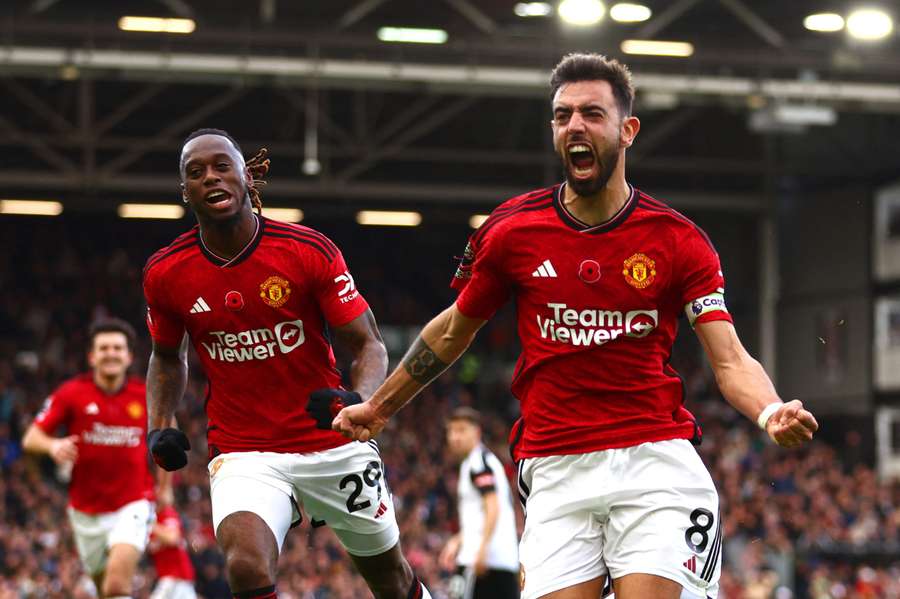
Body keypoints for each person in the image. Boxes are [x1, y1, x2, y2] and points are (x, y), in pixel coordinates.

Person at [331, 53, 819, 599]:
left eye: (591, 113)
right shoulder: (512, 232)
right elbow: (450, 333)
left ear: (627, 130)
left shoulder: (677, 241)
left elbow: (728, 359)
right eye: (563, 116)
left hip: (654, 465)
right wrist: (379, 407)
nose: (575, 127)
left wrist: (770, 410)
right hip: (556, 469)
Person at [142, 128, 432, 599]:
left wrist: (357, 400)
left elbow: (369, 346)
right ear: (184, 191)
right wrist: (159, 424)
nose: (210, 177)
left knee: (392, 582)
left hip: (332, 441)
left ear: (245, 176)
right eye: (196, 173)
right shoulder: (166, 272)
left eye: (221, 166)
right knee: (246, 568)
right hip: (244, 451)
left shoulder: (306, 250)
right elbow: (166, 357)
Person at [22, 318, 154, 599]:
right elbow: (31, 438)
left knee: (117, 586)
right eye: (104, 348)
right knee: (104, 589)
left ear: (129, 356)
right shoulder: (70, 393)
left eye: (118, 348)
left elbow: (168, 439)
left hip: (132, 502)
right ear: (92, 357)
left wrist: (164, 489)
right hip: (85, 511)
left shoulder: (144, 395)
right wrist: (53, 445)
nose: (111, 353)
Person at [440, 407, 519, 599]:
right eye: (452, 431)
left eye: (461, 430)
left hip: (481, 562)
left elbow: (492, 505)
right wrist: (458, 540)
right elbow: (481, 514)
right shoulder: (482, 461)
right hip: (502, 561)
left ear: (476, 432)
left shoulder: (478, 463)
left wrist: (482, 548)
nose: (455, 437)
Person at [148, 472, 197, 599]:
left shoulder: (166, 513)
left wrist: (149, 524)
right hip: (168, 578)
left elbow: (173, 538)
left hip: (177, 578)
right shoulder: (150, 520)